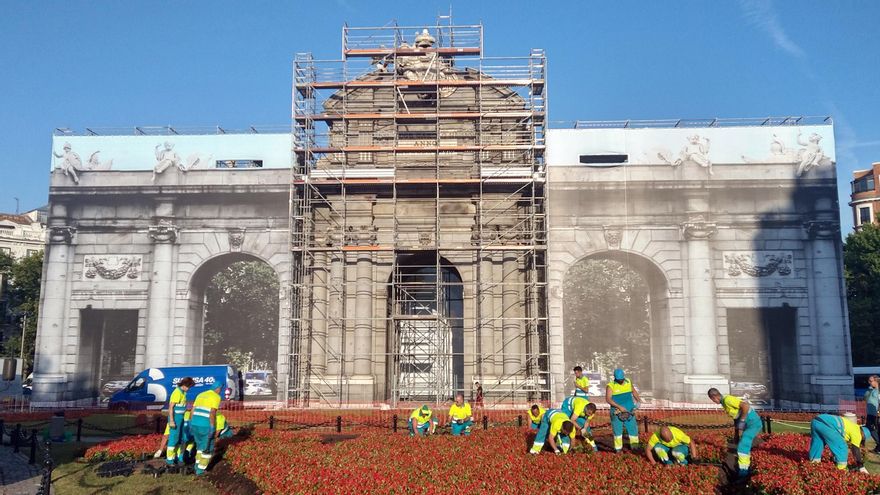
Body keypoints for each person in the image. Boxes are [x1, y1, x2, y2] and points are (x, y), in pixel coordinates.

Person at [708, 388, 762, 478]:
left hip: (753, 423)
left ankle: (743, 473)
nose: (713, 401)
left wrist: (742, 421)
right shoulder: (724, 403)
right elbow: (736, 418)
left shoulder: (727, 400)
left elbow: (745, 406)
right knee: (743, 445)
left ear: (714, 397)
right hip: (749, 424)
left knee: (743, 446)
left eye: (712, 400)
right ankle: (745, 469)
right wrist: (736, 434)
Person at [190, 383, 223, 475]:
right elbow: (212, 412)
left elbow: (192, 410)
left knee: (200, 446)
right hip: (205, 424)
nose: (220, 391)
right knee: (207, 448)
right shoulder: (216, 397)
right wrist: (212, 426)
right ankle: (201, 470)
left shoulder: (200, 394)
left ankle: (196, 466)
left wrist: (190, 423)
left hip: (195, 423)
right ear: (218, 388)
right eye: (220, 389)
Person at [606, 368, 641, 453]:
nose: (620, 381)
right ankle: (618, 449)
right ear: (615, 378)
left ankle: (635, 448)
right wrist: (619, 407)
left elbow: (634, 392)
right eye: (618, 380)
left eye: (621, 379)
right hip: (617, 412)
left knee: (633, 429)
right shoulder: (611, 385)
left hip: (630, 410)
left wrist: (638, 401)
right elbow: (608, 399)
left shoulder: (628, 382)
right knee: (617, 431)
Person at [163, 377, 194, 465]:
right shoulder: (177, 392)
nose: (189, 389)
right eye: (188, 387)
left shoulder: (183, 393)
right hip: (176, 418)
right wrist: (171, 420)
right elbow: (171, 407)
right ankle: (170, 459)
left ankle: (178, 458)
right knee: (174, 438)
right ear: (184, 385)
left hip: (181, 418)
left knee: (181, 438)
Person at [865, 375, 880, 453]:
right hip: (870, 413)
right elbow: (866, 397)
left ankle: (879, 445)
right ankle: (878, 447)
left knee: (872, 429)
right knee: (873, 429)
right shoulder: (871, 390)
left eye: (871, 381)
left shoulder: (878, 391)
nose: (869, 382)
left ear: (876, 381)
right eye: (869, 381)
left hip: (876, 414)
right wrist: (869, 390)